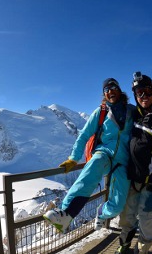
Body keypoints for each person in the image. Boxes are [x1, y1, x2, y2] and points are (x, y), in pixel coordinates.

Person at [42, 77, 135, 233]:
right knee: (95, 164)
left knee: (117, 205)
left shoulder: (132, 111)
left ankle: (102, 213)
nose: (110, 91)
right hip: (104, 153)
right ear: (104, 94)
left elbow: (147, 115)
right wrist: (74, 158)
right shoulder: (101, 112)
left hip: (123, 161)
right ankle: (65, 213)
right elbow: (84, 135)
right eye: (106, 90)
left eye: (113, 88)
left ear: (119, 90)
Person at [116, 72, 152, 254]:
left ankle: (142, 250)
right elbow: (115, 110)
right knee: (127, 217)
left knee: (147, 219)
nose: (144, 97)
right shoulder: (133, 115)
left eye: (147, 92)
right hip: (132, 179)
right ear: (135, 95)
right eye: (139, 92)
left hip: (151, 182)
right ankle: (124, 247)